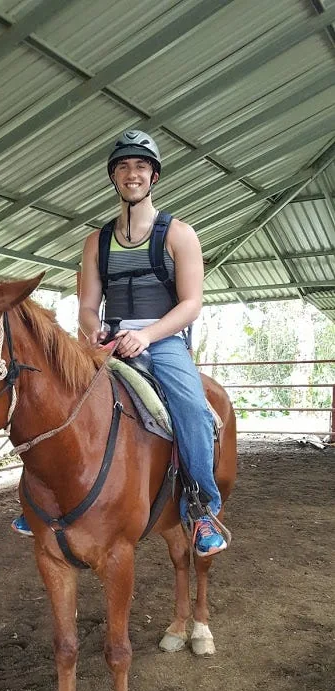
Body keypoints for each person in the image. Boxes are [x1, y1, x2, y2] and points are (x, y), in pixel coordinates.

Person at [11, 129, 229, 557]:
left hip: (161, 339)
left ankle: (202, 508)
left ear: (154, 176)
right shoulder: (97, 241)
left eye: (141, 166)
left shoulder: (179, 234)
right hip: (107, 339)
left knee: (191, 408)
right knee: (49, 395)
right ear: (114, 176)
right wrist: (93, 328)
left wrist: (146, 334)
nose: (132, 174)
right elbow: (88, 305)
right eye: (124, 167)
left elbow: (191, 304)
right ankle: (38, 500)